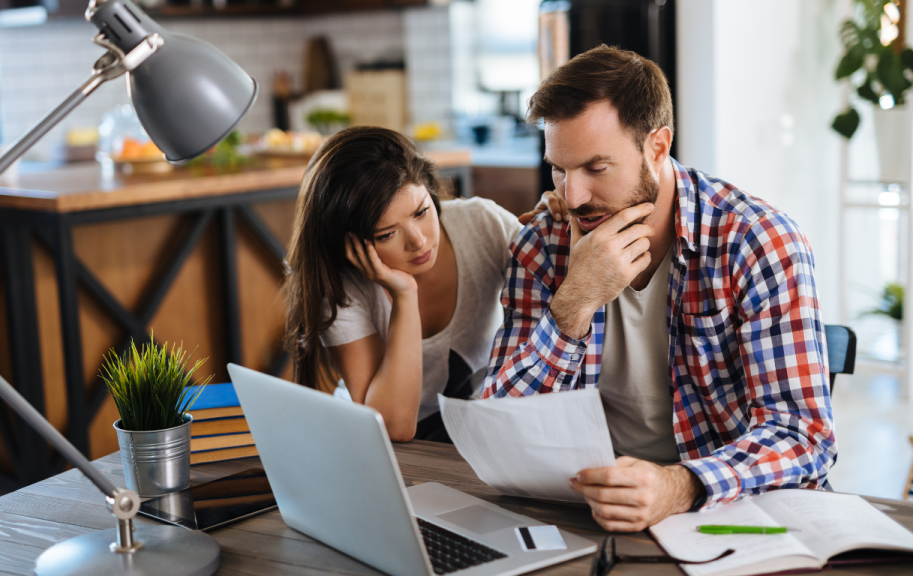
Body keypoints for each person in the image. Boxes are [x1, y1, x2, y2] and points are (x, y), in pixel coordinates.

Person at [482, 45, 836, 532]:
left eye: (595, 168)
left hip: (728, 509)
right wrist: (574, 303)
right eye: (559, 170)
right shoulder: (542, 245)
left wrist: (679, 485)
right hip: (590, 510)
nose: (573, 196)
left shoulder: (757, 242)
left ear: (657, 146)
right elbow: (497, 431)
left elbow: (803, 436)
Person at [284, 126, 563, 442]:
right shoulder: (340, 288)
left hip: (475, 430)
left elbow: (562, 292)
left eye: (421, 212)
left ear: (431, 192)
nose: (418, 241)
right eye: (387, 234)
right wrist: (404, 295)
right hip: (381, 447)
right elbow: (393, 427)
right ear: (349, 243)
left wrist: (555, 229)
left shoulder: (481, 225)